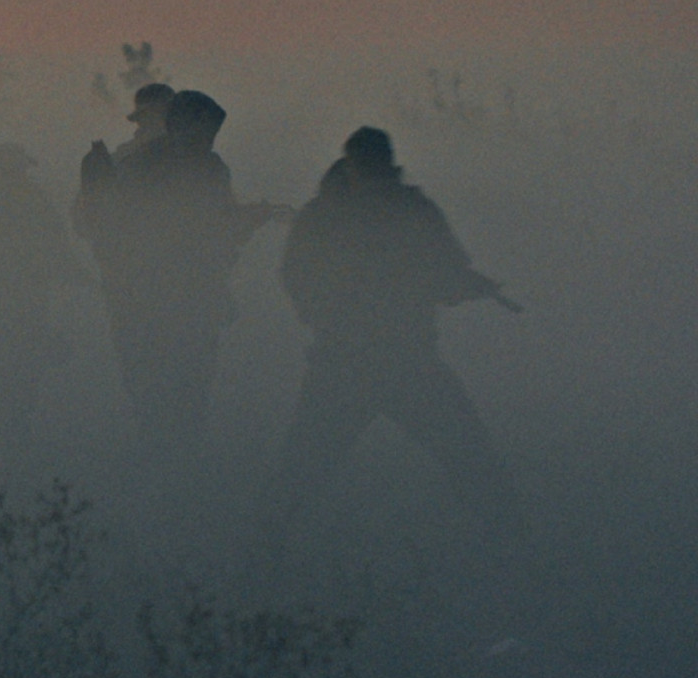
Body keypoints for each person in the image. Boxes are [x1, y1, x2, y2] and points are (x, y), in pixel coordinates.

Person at [265, 127, 522, 549]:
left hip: (348, 361)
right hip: (402, 361)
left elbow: (295, 274)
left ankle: (258, 554)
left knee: (298, 472)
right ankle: (514, 547)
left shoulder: (327, 213)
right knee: (473, 461)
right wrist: (470, 286)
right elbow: (447, 276)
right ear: (388, 161)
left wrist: (319, 316)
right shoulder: (412, 210)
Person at [73, 89, 279, 460]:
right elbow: (197, 229)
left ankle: (173, 467)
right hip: (153, 301)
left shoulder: (187, 166)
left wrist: (248, 220)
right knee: (164, 393)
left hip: (177, 301)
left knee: (181, 393)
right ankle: (169, 469)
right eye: (205, 131)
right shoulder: (146, 168)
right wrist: (246, 222)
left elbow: (215, 227)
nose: (209, 140)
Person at [0, 143, 88, 443]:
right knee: (18, 370)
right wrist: (81, 278)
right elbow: (58, 251)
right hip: (23, 302)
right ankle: (10, 437)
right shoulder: (35, 203)